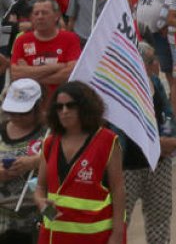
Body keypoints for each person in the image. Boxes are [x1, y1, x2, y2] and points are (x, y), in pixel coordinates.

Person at [34, 81, 126, 244]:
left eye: (71, 106)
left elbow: (118, 190)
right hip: (53, 237)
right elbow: (40, 187)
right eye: (59, 107)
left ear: (85, 107)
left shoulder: (108, 141)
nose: (64, 111)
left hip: (96, 237)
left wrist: (118, 233)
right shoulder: (49, 143)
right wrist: (41, 203)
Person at [122, 43, 176, 244]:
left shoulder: (154, 81)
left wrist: (170, 138)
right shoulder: (118, 90)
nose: (156, 63)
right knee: (120, 220)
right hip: (127, 167)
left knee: (160, 218)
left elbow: (167, 114)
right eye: (151, 60)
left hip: (158, 164)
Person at [0, 79, 46, 240]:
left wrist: (35, 161)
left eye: (23, 112)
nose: (16, 117)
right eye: (12, 111)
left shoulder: (51, 131)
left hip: (37, 218)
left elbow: (67, 157)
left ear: (38, 106)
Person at [11, 0, 81, 97]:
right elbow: (16, 74)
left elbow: (70, 73)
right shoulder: (22, 40)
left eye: (44, 13)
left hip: (60, 100)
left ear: (56, 16)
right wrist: (57, 67)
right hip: (30, 100)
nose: (40, 17)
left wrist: (29, 74)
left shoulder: (70, 38)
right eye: (36, 13)